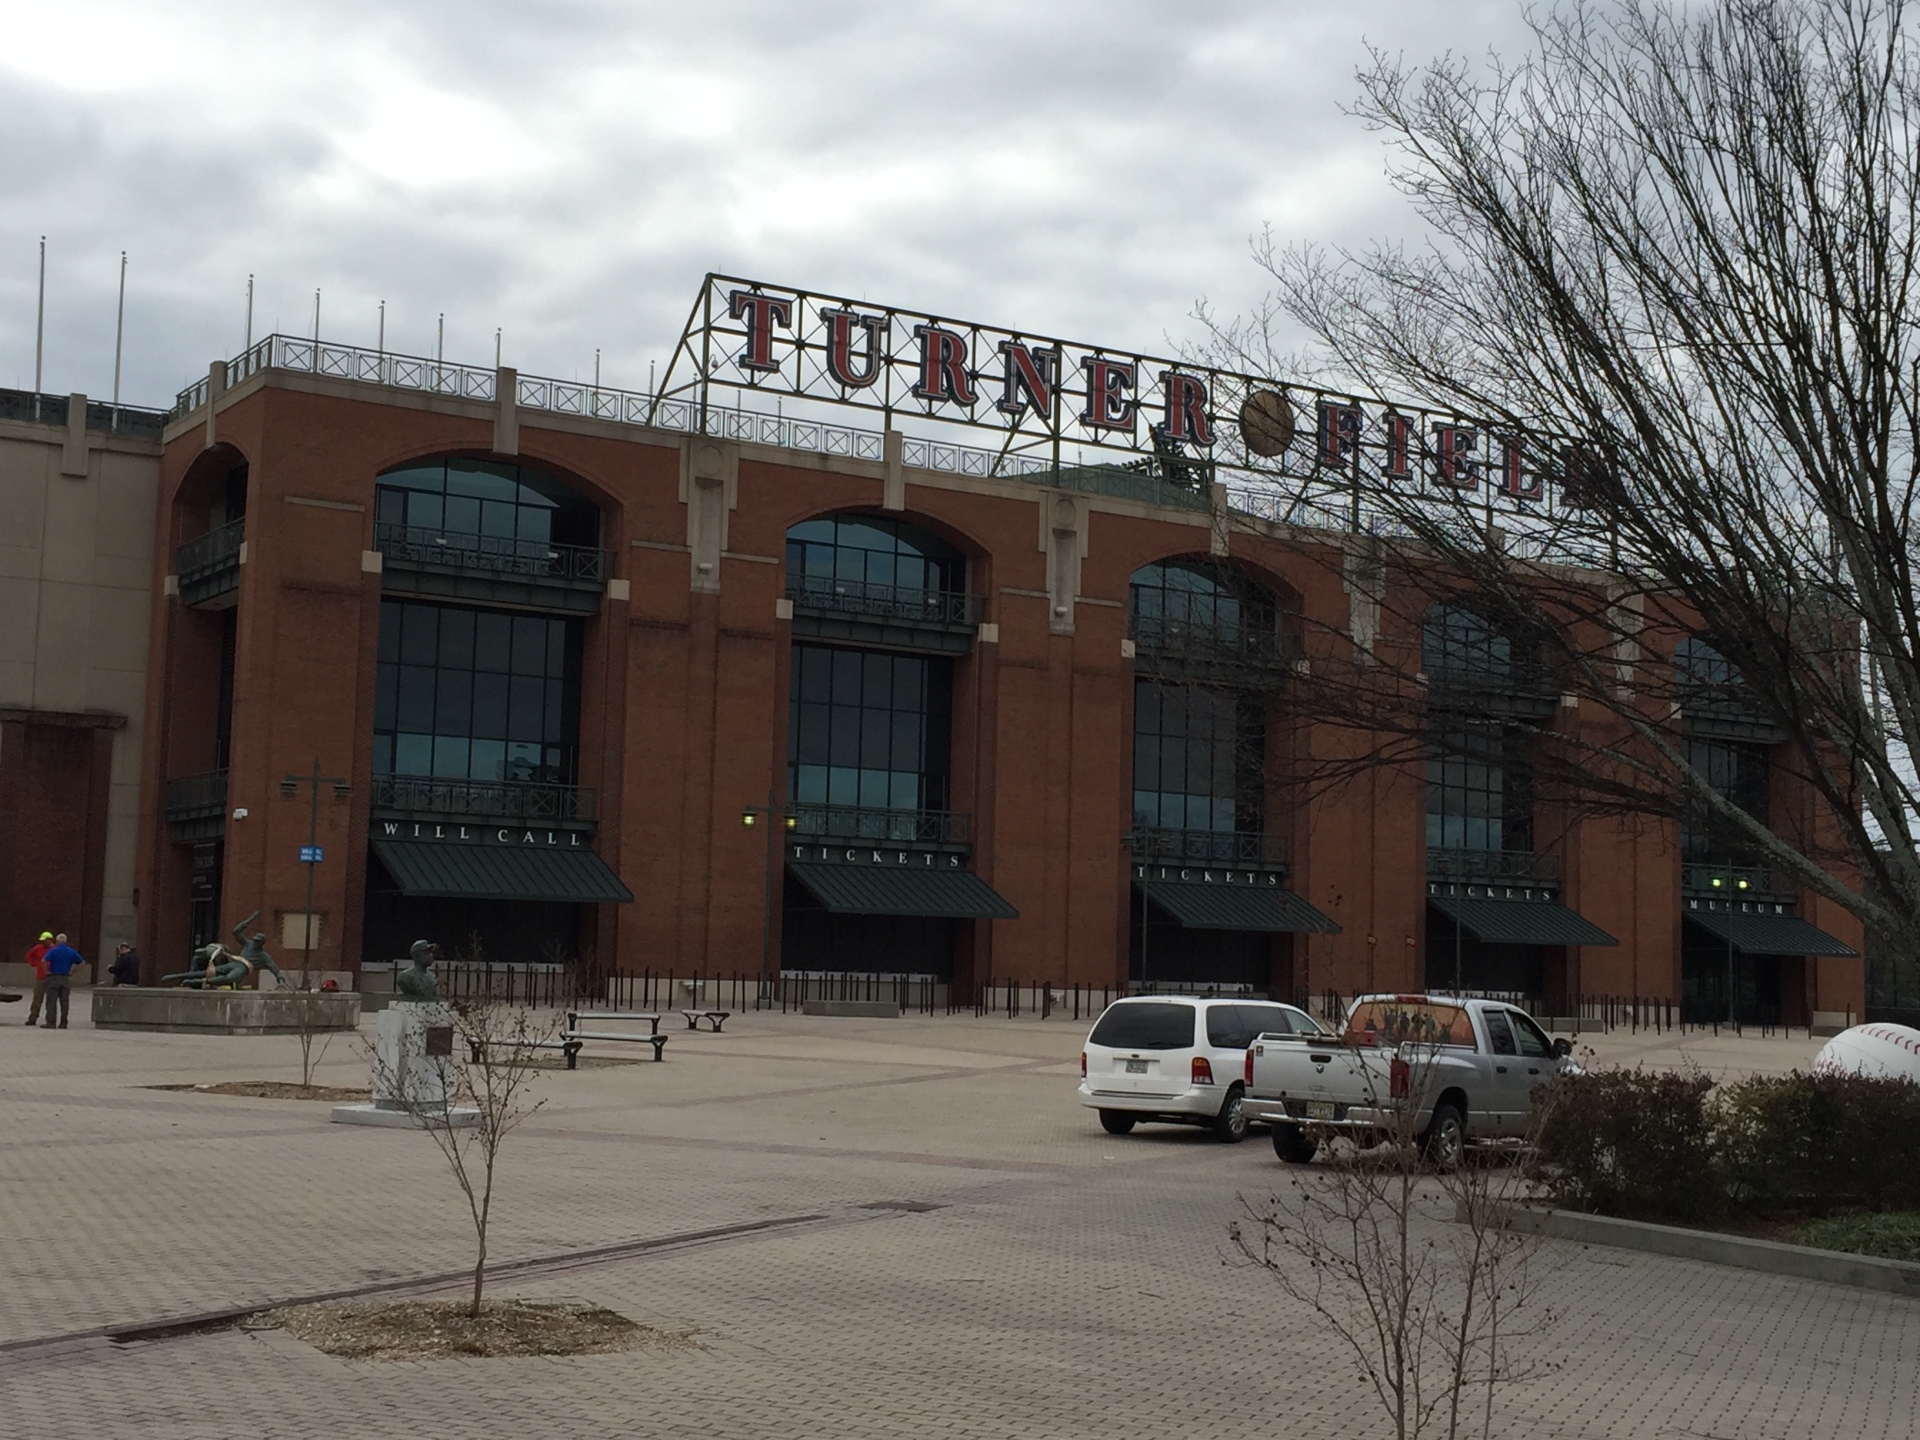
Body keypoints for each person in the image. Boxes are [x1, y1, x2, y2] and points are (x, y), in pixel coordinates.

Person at [39, 934, 84, 1030]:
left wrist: (46, 972)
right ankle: (63, 1023)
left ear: (57, 941)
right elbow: (82, 962)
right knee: (64, 1001)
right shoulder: (71, 951)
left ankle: (51, 1022)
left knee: (51, 1001)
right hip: (65, 978)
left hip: (54, 976)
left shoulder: (54, 950)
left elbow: (43, 960)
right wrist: (72, 971)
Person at [23, 932, 52, 1025]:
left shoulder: (54, 949)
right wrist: (33, 963)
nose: (42, 942)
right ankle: (33, 1018)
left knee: (51, 999)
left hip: (51, 977)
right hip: (40, 977)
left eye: (44, 940)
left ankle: (50, 1020)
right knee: (37, 998)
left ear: (49, 940)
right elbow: (29, 956)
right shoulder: (38, 948)